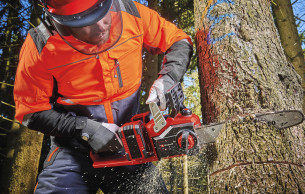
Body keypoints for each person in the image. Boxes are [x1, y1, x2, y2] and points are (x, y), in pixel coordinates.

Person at [13, 0, 193, 193]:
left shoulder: (131, 13)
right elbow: (30, 112)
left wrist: (169, 76)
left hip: (130, 146)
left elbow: (178, 40)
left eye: (102, 14)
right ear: (63, 24)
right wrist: (86, 128)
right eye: (86, 24)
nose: (100, 26)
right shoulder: (40, 44)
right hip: (73, 152)